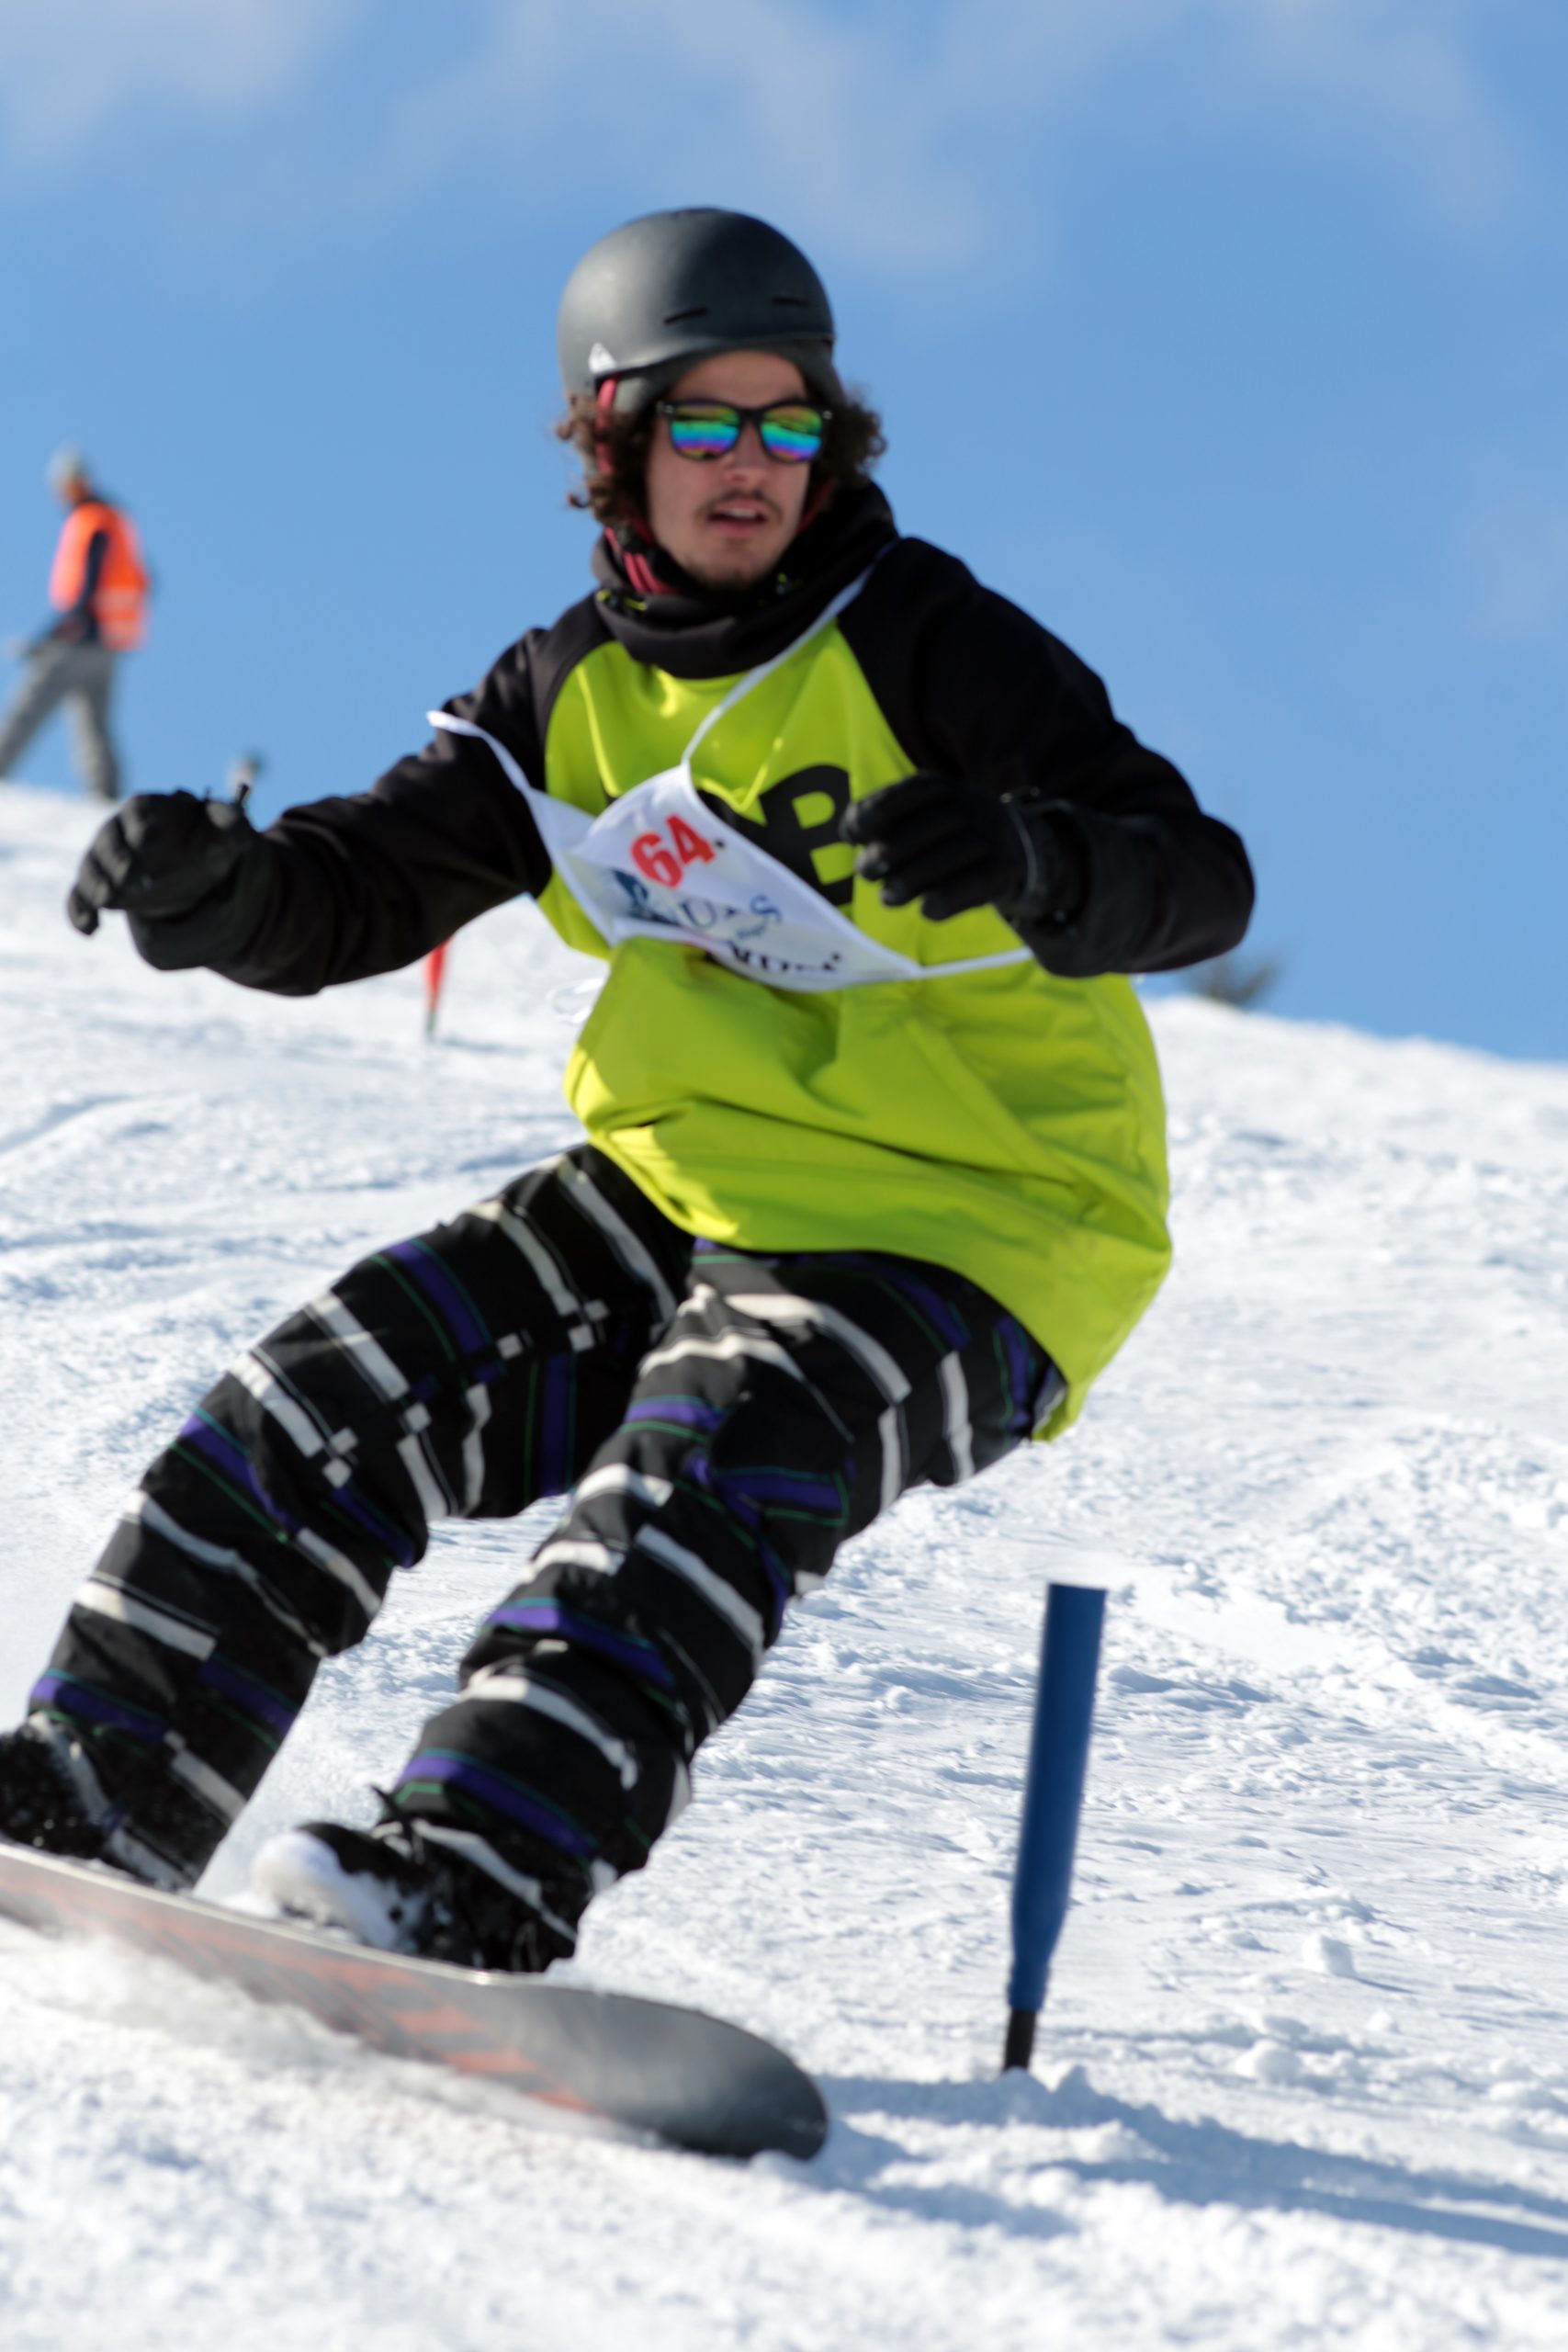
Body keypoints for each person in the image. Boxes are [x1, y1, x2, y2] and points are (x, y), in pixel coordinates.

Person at [0, 210, 1254, 1971]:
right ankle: (85, 1800)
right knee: (320, 1400)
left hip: (975, 1221)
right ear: (616, 441)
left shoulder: (928, 642)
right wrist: (220, 894)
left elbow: (1199, 875)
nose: (751, 464)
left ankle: (468, 1878)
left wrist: (1033, 856)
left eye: (788, 424)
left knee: (694, 1476)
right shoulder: (564, 692)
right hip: (684, 1184)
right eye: (704, 422)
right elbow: (364, 883)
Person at [0, 447, 150, 803]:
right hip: (109, 644)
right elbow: (145, 580)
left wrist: (50, 636)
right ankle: (105, 795)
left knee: (31, 703)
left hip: (82, 639)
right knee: (93, 723)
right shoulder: (115, 520)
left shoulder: (93, 522)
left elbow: (87, 590)